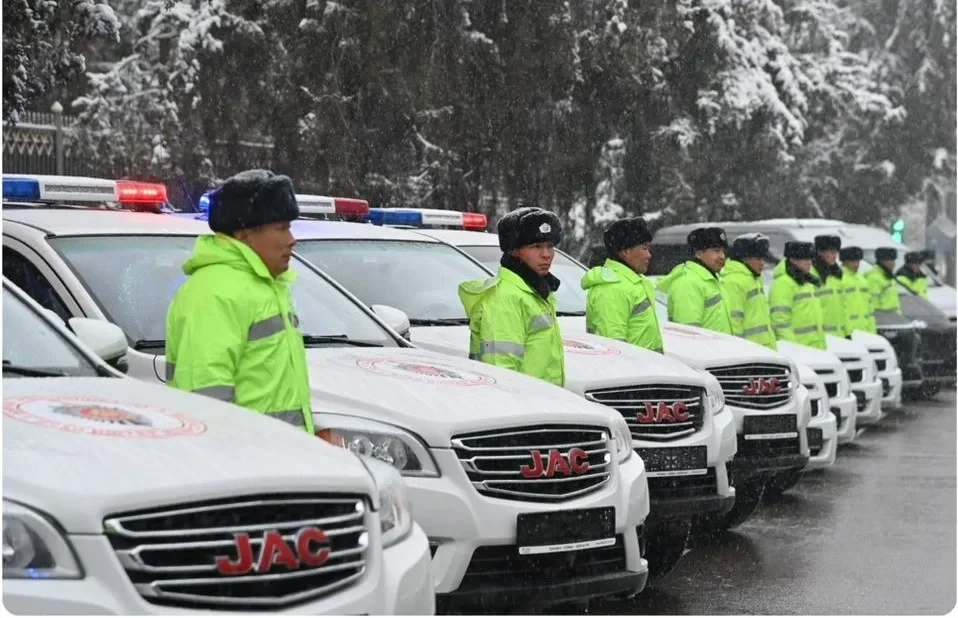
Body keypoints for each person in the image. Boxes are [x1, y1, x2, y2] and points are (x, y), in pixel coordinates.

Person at [165, 169, 313, 432]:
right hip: (247, 453)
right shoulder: (215, 292)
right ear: (244, 234)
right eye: (281, 228)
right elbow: (205, 400)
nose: (292, 240)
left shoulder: (266, 286)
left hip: (279, 452)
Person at [458, 205, 565, 386]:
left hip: (544, 400)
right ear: (514, 251)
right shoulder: (505, 298)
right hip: (525, 401)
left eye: (550, 246)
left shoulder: (536, 293)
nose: (546, 254)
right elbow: (501, 373)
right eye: (536, 246)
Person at [580, 217, 663, 353]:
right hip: (636, 366)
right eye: (644, 248)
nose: (649, 255)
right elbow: (613, 351)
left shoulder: (634, 282)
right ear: (625, 252)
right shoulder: (612, 288)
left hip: (648, 365)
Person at [657, 227, 733, 335]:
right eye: (716, 251)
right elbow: (688, 335)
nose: (722, 256)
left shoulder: (710, 280)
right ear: (698, 254)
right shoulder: (688, 283)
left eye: (723, 251)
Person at [721, 233, 777, 350]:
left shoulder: (754, 278)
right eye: (758, 258)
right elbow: (734, 322)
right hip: (750, 351)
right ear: (744, 258)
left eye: (763, 258)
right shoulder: (733, 281)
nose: (762, 263)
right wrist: (739, 351)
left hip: (763, 350)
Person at [769, 241, 826, 349]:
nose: (809, 263)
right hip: (799, 351)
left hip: (815, 349)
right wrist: (793, 349)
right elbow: (780, 322)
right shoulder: (783, 284)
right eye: (805, 259)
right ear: (793, 260)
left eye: (810, 259)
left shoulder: (808, 283)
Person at [812, 234, 848, 338]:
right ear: (820, 252)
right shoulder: (812, 275)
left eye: (836, 252)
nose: (835, 256)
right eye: (831, 252)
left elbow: (844, 307)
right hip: (822, 337)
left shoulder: (836, 275)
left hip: (839, 336)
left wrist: (847, 332)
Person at [839, 246, 876, 334]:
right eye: (852, 261)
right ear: (844, 261)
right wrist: (846, 333)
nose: (856, 265)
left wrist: (872, 331)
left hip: (864, 332)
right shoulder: (838, 280)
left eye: (858, 261)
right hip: (848, 333)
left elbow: (869, 309)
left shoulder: (863, 280)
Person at [864, 246, 903, 315]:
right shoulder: (873, 278)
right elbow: (873, 304)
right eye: (891, 260)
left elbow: (894, 301)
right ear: (882, 261)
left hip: (893, 318)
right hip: (883, 319)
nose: (893, 264)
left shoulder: (889, 277)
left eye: (894, 260)